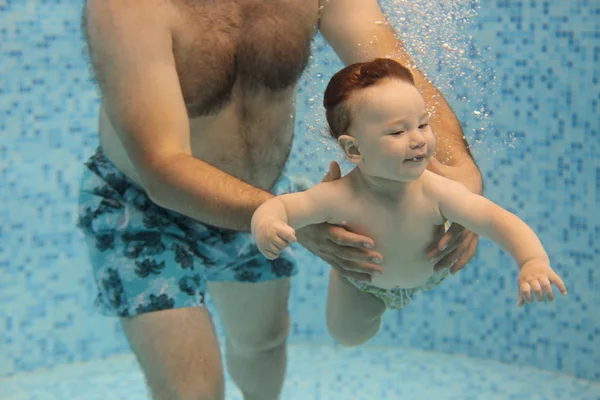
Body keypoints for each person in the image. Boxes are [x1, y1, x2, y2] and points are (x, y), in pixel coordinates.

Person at [78, 0, 483, 399]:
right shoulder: (126, 8)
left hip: (258, 193)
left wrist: (461, 179)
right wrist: (291, 218)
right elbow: (162, 165)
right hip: (146, 211)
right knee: (193, 390)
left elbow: (399, 74)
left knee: (263, 347)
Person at [251, 58, 568, 347]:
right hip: (362, 281)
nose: (418, 139)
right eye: (398, 131)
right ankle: (347, 285)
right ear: (354, 151)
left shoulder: (437, 191)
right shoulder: (338, 197)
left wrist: (531, 261)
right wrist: (266, 224)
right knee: (348, 335)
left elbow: (495, 220)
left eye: (423, 124)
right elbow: (280, 207)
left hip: (428, 274)